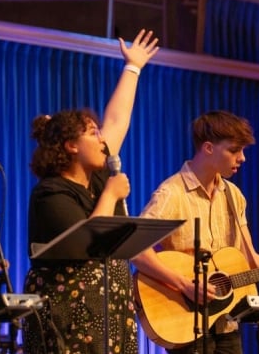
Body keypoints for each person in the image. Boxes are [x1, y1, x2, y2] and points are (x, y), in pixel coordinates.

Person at [132, 110, 259, 354]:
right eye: (234, 150)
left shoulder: (233, 195)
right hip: (185, 320)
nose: (242, 158)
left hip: (226, 322)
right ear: (209, 148)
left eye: (243, 151)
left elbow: (251, 259)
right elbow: (136, 249)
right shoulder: (171, 194)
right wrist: (184, 284)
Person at [22, 29, 159, 354]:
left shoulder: (97, 177)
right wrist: (111, 195)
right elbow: (87, 244)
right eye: (93, 134)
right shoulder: (51, 192)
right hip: (69, 314)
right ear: (71, 146)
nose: (102, 140)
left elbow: (117, 118)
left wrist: (133, 67)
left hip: (109, 306)